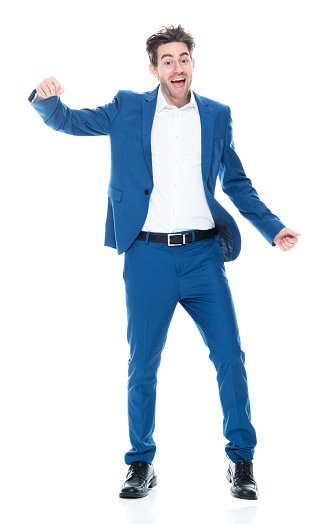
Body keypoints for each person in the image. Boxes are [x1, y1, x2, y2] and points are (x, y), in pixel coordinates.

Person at [28, 25, 300, 501]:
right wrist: (46, 100)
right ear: (153, 69)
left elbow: (236, 182)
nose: (177, 67)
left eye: (184, 58)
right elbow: (71, 122)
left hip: (202, 257)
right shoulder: (128, 107)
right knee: (143, 365)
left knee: (230, 358)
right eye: (167, 60)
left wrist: (273, 227)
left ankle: (241, 460)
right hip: (147, 256)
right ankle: (140, 463)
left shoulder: (217, 115)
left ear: (194, 64)